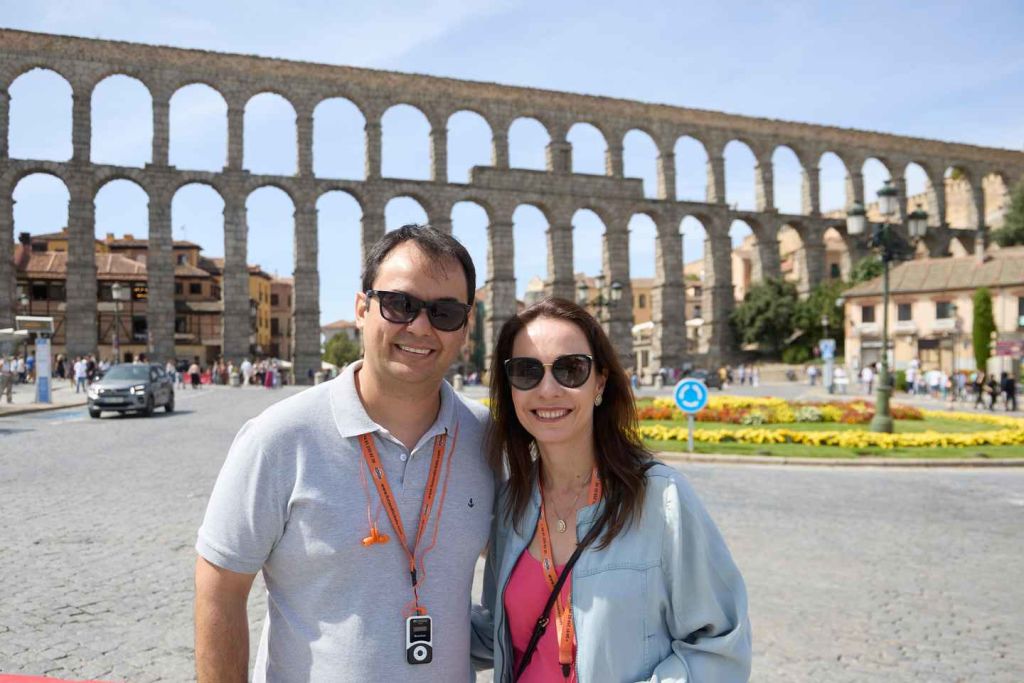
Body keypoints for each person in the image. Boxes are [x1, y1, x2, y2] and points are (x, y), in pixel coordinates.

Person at [195, 225, 494, 681]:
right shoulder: (278, 437)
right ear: (361, 309)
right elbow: (220, 588)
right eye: (399, 304)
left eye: (445, 312)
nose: (420, 326)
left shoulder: (489, 440)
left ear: (465, 328)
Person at [472, 298, 751, 681]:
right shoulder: (511, 505)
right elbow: (498, 631)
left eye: (571, 369)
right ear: (510, 389)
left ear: (600, 382)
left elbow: (721, 649)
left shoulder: (661, 499)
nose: (548, 389)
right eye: (526, 371)